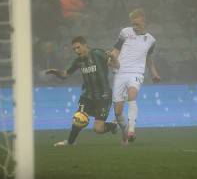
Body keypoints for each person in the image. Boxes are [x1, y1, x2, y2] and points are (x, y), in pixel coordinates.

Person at [46, 36, 119, 146]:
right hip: (87, 95)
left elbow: (115, 65)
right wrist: (55, 72)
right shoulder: (78, 61)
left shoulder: (98, 53)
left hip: (104, 96)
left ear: (85, 45)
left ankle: (112, 126)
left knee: (98, 129)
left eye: (78, 47)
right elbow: (65, 75)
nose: (76, 51)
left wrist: (113, 57)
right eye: (74, 49)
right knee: (78, 118)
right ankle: (70, 142)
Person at [109, 8, 161, 144]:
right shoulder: (125, 32)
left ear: (144, 21)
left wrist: (154, 73)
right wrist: (111, 58)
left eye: (137, 24)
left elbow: (148, 58)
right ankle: (125, 133)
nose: (135, 27)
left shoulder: (151, 40)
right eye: (133, 24)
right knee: (118, 111)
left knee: (132, 95)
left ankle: (131, 130)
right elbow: (115, 50)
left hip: (136, 72)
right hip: (120, 73)